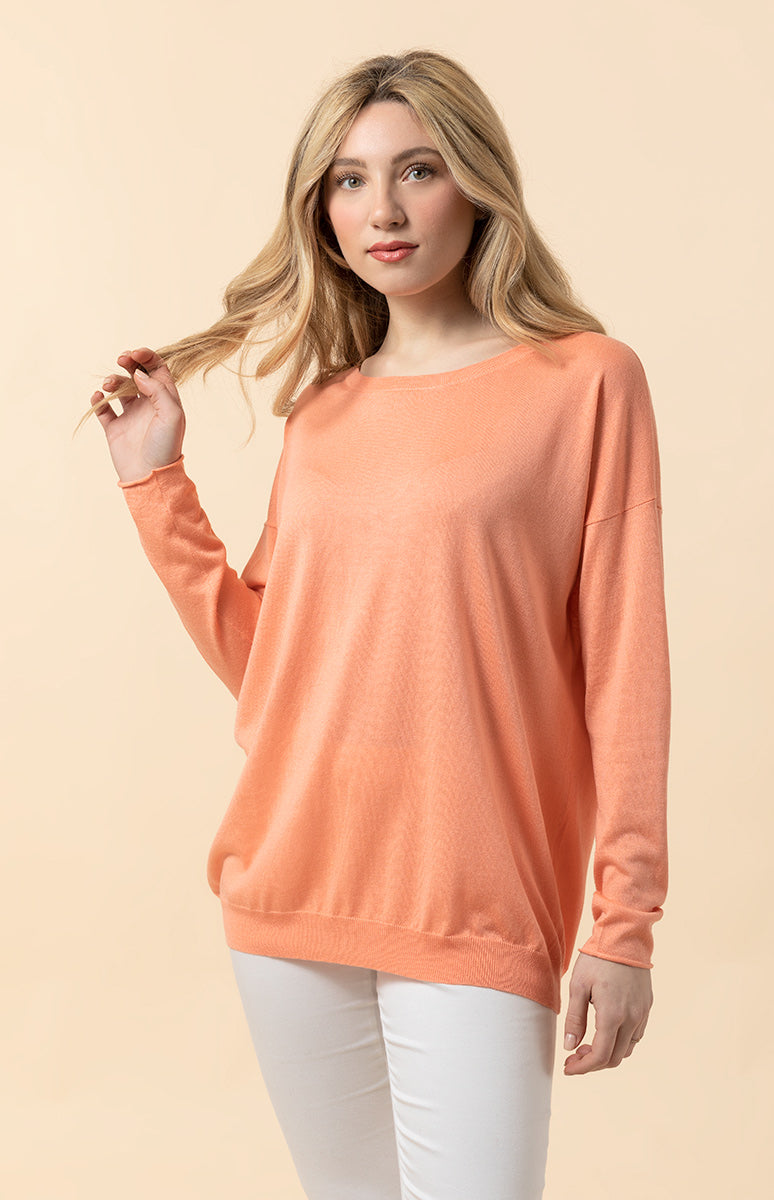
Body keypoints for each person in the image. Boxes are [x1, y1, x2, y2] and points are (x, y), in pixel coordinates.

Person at [79, 49, 670, 1200]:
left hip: (476, 903)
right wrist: (158, 488)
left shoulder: (589, 383)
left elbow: (627, 667)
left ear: (479, 185)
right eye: (349, 180)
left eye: (418, 170)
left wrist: (625, 921)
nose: (383, 210)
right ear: (323, 210)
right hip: (289, 897)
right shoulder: (326, 413)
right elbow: (280, 675)